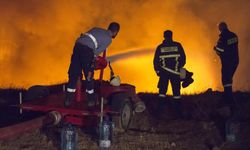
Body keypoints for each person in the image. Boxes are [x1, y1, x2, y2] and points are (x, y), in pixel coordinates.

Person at [65, 22, 120, 107]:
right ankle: (91, 100)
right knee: (89, 76)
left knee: (74, 73)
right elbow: (96, 52)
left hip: (78, 45)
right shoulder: (109, 39)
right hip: (87, 50)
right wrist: (93, 62)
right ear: (116, 32)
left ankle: (68, 99)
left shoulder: (96, 28)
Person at [153, 30, 186, 118]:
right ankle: (178, 114)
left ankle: (159, 114)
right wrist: (178, 67)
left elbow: (155, 61)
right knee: (176, 94)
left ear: (164, 36)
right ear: (171, 36)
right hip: (175, 73)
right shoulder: (177, 45)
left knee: (162, 93)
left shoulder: (160, 47)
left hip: (163, 74)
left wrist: (158, 72)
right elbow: (183, 58)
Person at [214, 22, 239, 109]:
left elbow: (220, 50)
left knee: (225, 79)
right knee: (229, 78)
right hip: (235, 60)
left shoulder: (223, 37)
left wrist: (215, 49)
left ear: (220, 29)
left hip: (227, 61)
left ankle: (229, 99)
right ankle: (229, 95)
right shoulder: (234, 35)